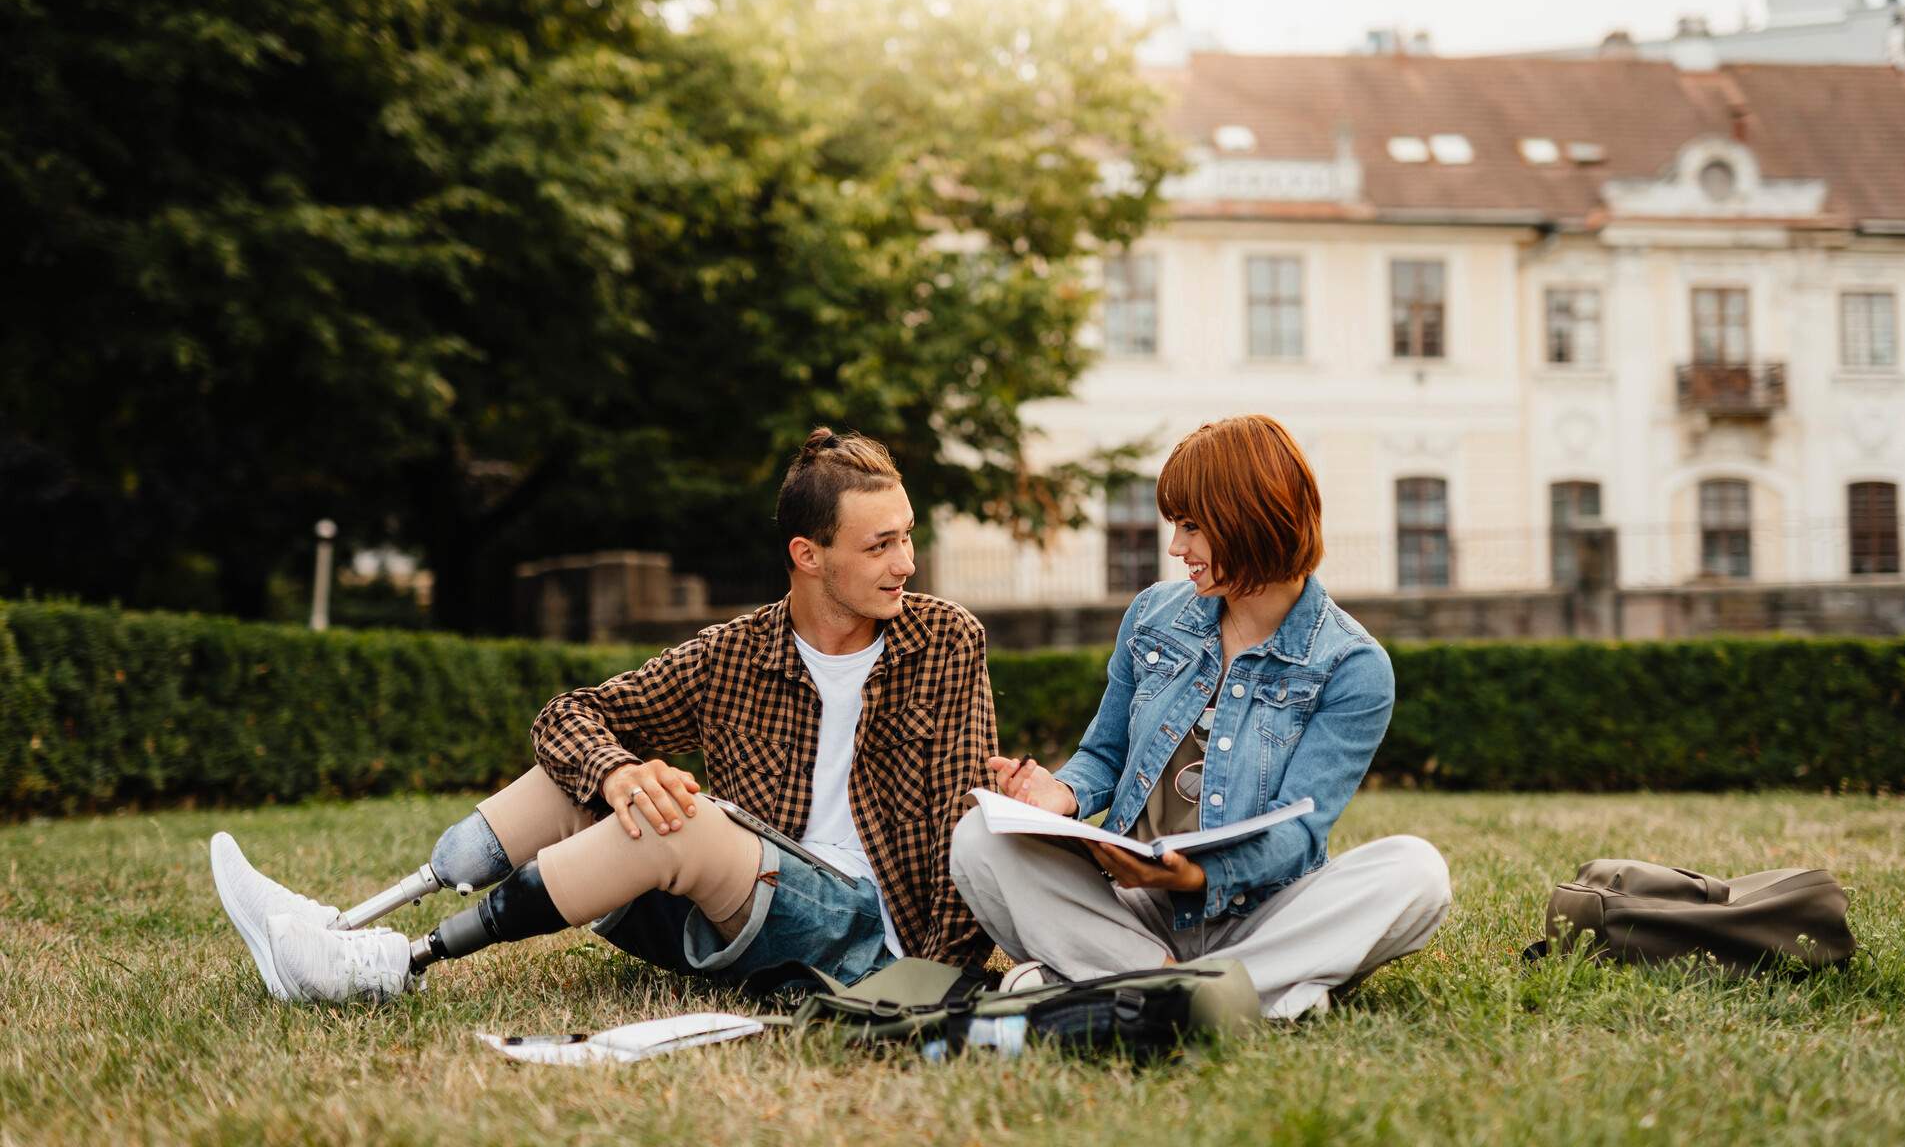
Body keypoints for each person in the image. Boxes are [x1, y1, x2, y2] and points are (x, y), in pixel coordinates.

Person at [212, 429, 996, 1003]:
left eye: (908, 539)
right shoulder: (732, 654)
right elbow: (567, 716)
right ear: (808, 555)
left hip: (867, 937)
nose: (906, 563)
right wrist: (616, 771)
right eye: (882, 545)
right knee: (579, 780)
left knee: (673, 815)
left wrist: (931, 984)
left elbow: (966, 826)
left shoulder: (945, 640)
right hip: (745, 902)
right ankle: (344, 929)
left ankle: (392, 967)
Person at [948, 415, 1450, 1021]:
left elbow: (1300, 834)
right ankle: (1224, 994)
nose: (1175, 548)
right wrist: (1060, 793)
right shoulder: (1153, 616)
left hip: (1264, 910)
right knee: (978, 840)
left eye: (1191, 527)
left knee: (1416, 872)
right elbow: (1104, 755)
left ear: (1248, 519)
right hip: (1137, 906)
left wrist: (1199, 876)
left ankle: (1126, 988)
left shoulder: (1351, 664)